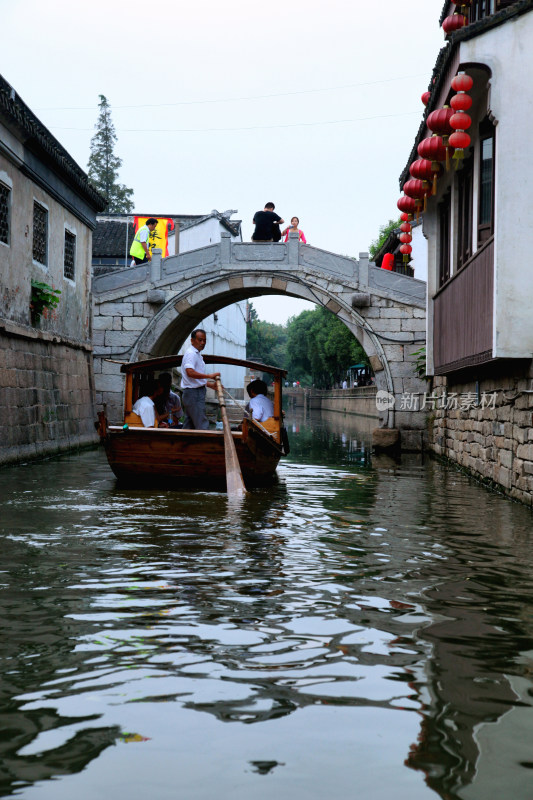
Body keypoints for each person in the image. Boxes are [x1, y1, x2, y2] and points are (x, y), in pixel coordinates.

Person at [180, 329, 221, 430]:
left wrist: (210, 385)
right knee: (202, 424)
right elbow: (190, 372)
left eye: (204, 340)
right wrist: (209, 376)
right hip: (193, 393)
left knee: (189, 424)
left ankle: (182, 444)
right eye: (200, 340)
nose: (202, 343)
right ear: (192, 340)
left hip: (193, 392)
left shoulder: (197, 354)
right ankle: (207, 444)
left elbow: (195, 379)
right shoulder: (191, 354)